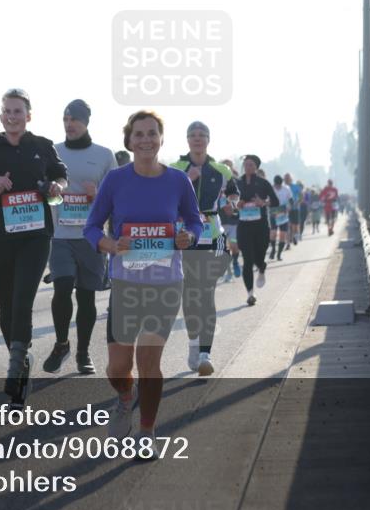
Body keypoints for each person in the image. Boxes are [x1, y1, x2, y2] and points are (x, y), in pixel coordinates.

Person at [84, 110, 201, 454]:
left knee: (150, 362)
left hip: (165, 284)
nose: (146, 140)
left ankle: (147, 433)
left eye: (152, 133)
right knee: (118, 368)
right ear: (129, 140)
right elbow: (92, 227)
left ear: (161, 139)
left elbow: (194, 222)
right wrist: (108, 244)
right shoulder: (116, 180)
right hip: (125, 284)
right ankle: (124, 397)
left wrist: (188, 238)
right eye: (139, 134)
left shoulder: (178, 181)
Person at [0, 88, 67, 406]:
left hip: (35, 236)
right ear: (1, 117)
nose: (12, 117)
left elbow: (60, 178)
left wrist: (56, 187)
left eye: (18, 111)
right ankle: (21, 358)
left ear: (29, 116)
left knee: (23, 298)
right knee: (8, 305)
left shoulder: (41, 146)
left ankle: (14, 370)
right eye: (7, 111)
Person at [43, 99, 116, 375]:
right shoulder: (53, 152)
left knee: (86, 298)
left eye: (74, 119)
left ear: (86, 122)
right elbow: (40, 187)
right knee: (62, 287)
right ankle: (62, 344)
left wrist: (96, 196)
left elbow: (114, 199)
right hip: (59, 235)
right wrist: (49, 190)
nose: (69, 124)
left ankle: (83, 353)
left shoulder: (104, 155)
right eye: (65, 119)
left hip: (91, 237)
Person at [169, 121, 237, 376]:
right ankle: (194, 344)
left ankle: (206, 354)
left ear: (208, 140)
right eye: (193, 136)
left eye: (202, 136)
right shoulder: (175, 168)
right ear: (187, 140)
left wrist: (232, 202)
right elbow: (165, 196)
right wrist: (188, 179)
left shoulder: (221, 170)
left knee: (206, 293)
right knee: (190, 294)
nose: (197, 139)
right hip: (186, 237)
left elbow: (233, 191)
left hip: (214, 236)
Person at [235, 155, 278, 306]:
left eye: (251, 165)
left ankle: (262, 267)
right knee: (247, 259)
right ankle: (250, 294)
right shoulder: (237, 182)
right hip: (244, 226)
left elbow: (275, 201)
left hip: (261, 226)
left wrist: (263, 202)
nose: (248, 167)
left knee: (259, 256)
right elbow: (228, 200)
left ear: (256, 167)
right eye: (246, 164)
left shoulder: (263, 183)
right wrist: (236, 204)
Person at [218, 159, 241, 283]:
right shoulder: (215, 181)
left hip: (234, 222)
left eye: (229, 166)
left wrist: (234, 208)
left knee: (234, 246)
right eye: (224, 166)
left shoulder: (237, 182)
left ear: (232, 169)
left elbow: (242, 201)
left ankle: (236, 261)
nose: (226, 168)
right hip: (220, 221)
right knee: (223, 249)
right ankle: (229, 272)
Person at [269, 175, 293, 261]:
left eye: (279, 185)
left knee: (283, 235)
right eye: (276, 185)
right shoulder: (270, 188)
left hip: (283, 213)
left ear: (282, 183)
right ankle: (273, 250)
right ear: (274, 183)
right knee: (273, 233)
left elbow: (291, 201)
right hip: (274, 212)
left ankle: (279, 254)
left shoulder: (286, 189)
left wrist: (289, 207)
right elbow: (266, 200)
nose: (278, 187)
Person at [285, 173, 302, 246]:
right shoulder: (283, 187)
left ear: (291, 179)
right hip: (286, 209)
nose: (287, 180)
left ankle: (295, 237)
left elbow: (301, 196)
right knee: (288, 225)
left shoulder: (296, 187)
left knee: (295, 225)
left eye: (288, 179)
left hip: (295, 208)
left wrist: (298, 202)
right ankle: (288, 242)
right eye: (285, 179)